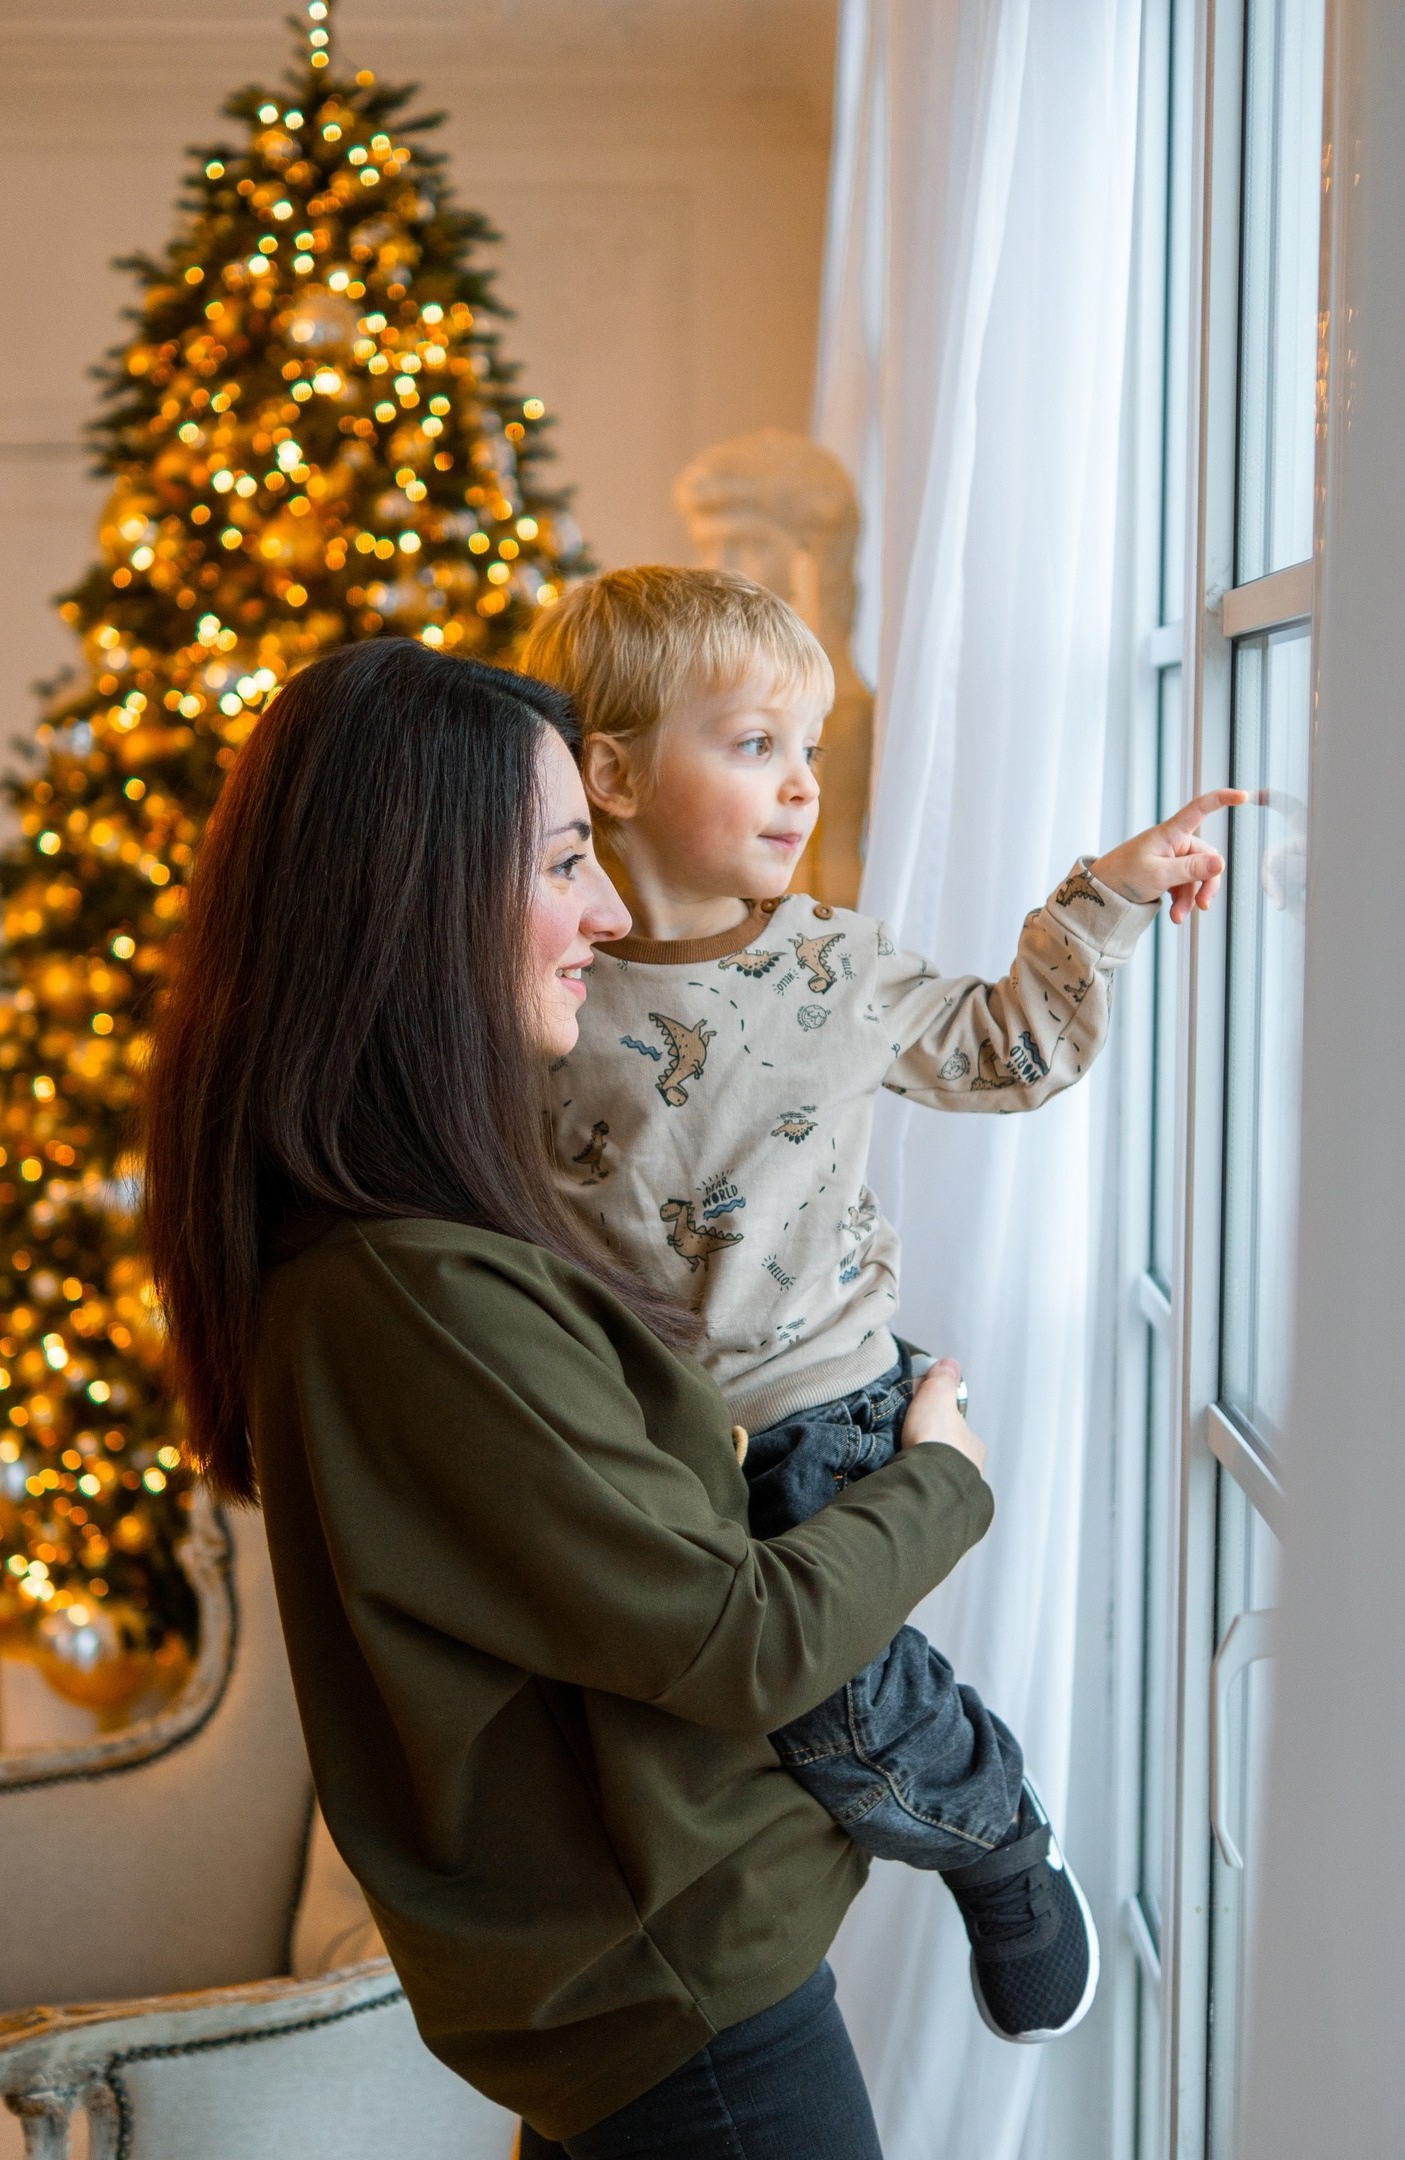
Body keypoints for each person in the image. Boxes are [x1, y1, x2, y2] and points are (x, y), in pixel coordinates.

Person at [142, 637, 996, 2160]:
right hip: (687, 2022)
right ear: (417, 902)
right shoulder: (410, 1293)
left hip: (654, 2012)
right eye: (560, 862)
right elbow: (742, 1641)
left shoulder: (405, 1252)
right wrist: (942, 1475)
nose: (608, 909)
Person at [522, 566, 1243, 2044]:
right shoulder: (544, 990)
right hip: (647, 1445)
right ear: (613, 773)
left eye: (813, 753)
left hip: (825, 1408)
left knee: (831, 1709)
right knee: (672, 1720)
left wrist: (1108, 896)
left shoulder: (833, 966)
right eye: (755, 746)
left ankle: (998, 1842)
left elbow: (1008, 1051)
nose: (799, 788)